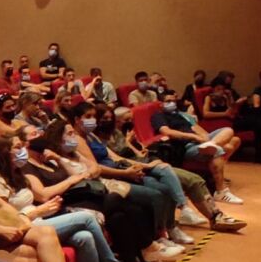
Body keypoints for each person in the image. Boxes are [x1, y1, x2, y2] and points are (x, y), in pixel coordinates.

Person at [0, 134, 155, 262]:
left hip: (40, 220)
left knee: (85, 237)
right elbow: (9, 219)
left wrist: (47, 208)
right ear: (4, 152)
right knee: (87, 218)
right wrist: (38, 211)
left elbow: (37, 199)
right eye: (17, 147)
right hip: (26, 228)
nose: (23, 150)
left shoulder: (17, 174)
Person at [20, 128, 172, 262]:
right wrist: (70, 181)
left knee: (120, 216)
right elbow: (43, 195)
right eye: (33, 134)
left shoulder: (49, 160)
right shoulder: (26, 167)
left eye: (39, 132)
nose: (40, 135)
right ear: (25, 143)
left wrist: (58, 159)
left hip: (82, 198)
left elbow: (82, 173)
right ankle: (148, 250)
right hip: (63, 207)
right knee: (116, 200)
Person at [98, 106, 245, 232]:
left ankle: (216, 216)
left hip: (146, 161)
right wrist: (145, 164)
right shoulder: (98, 139)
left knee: (195, 179)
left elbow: (137, 151)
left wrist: (138, 148)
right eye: (106, 118)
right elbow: (116, 158)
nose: (129, 122)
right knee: (168, 182)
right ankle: (184, 213)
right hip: (134, 167)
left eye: (111, 118)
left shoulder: (119, 133)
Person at [69, 103, 195, 245]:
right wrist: (125, 173)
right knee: (155, 195)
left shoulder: (91, 135)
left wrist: (142, 166)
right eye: (88, 116)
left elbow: (115, 157)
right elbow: (96, 168)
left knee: (165, 188)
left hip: (121, 170)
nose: (92, 120)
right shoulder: (78, 140)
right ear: (77, 119)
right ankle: (159, 236)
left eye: (93, 116)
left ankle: (171, 228)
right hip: (110, 178)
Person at [152, 90, 242, 204]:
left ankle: (211, 144)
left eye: (174, 101)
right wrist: (194, 137)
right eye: (168, 101)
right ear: (160, 104)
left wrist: (204, 137)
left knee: (229, 131)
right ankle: (221, 192)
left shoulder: (178, 115)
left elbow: (195, 128)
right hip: (186, 146)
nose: (172, 103)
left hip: (199, 142)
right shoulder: (158, 116)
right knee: (217, 151)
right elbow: (167, 132)